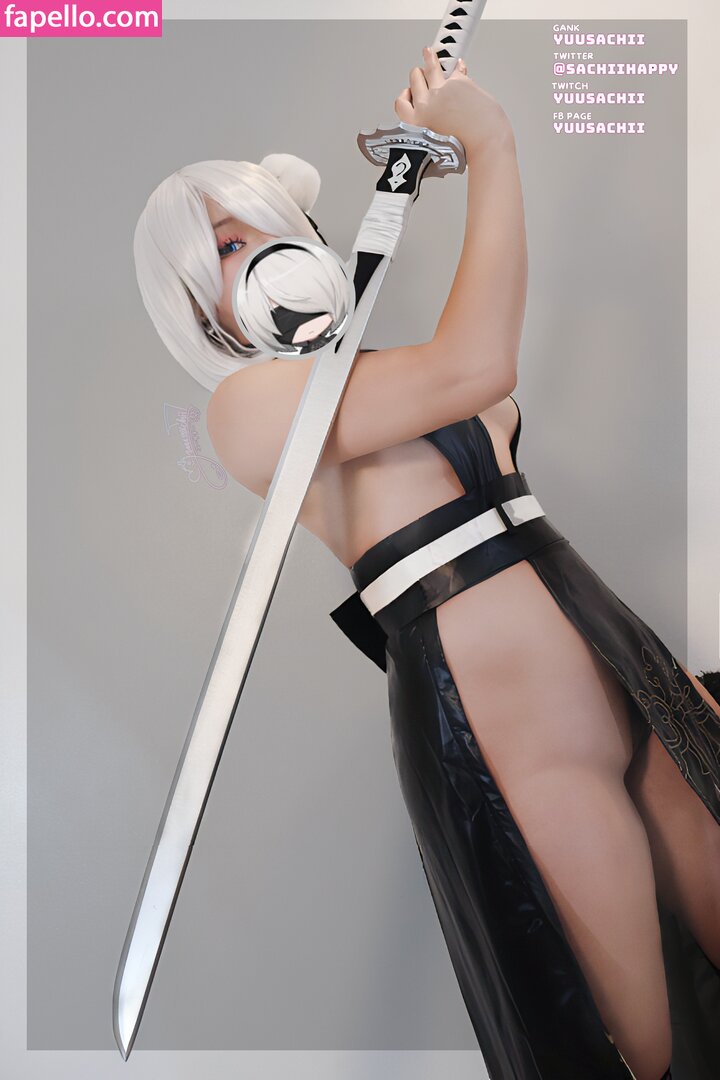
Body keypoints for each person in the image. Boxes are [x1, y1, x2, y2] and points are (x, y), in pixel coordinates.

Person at [133, 45, 720, 1080]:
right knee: (632, 1044)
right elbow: (478, 365)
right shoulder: (251, 410)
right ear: (191, 302)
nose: (265, 252)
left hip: (616, 654)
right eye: (228, 245)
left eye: (273, 225)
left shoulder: (368, 375)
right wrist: (490, 146)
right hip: (506, 725)